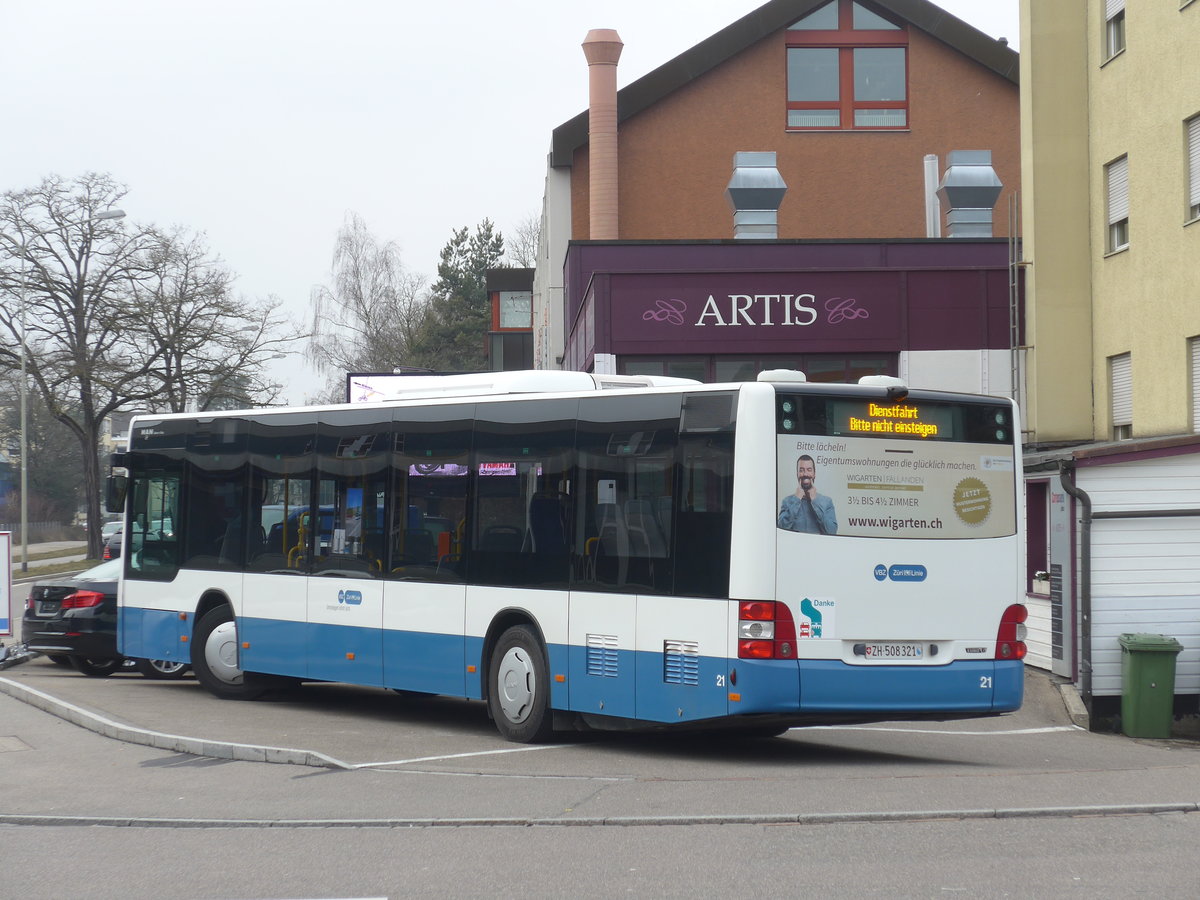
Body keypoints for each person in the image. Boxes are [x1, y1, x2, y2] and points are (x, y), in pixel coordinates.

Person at [778, 454, 838, 535]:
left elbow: (831, 531)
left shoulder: (827, 502)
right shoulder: (787, 502)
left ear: (814, 474)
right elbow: (781, 529)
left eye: (809, 470)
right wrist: (796, 500)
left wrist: (815, 501)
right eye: (801, 470)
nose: (805, 474)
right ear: (797, 474)